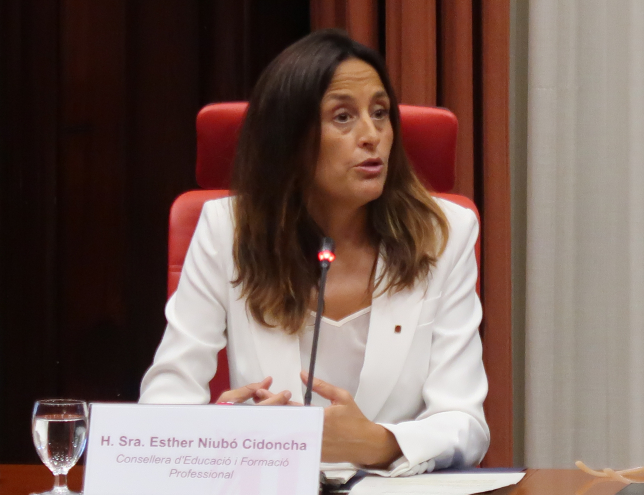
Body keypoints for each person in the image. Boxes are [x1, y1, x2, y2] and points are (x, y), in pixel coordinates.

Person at [140, 29, 489, 476]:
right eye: (343, 117)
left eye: (380, 113)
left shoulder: (445, 234)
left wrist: (377, 442)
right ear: (290, 137)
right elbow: (165, 399)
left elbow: (466, 424)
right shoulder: (227, 230)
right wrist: (223, 438)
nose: (372, 136)